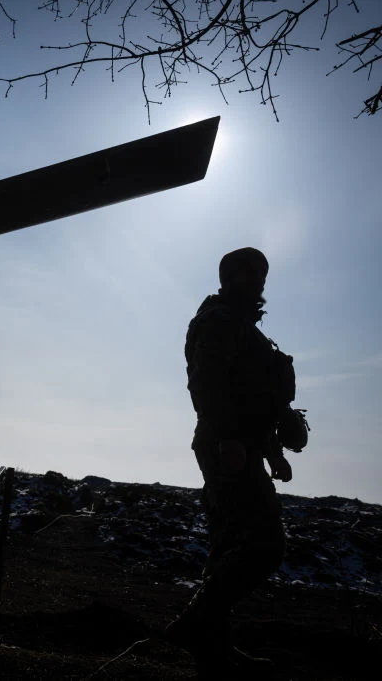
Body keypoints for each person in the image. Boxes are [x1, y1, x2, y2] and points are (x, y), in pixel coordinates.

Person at [166, 247, 301, 678]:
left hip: (244, 446)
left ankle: (212, 648)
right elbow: (208, 383)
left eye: (262, 273)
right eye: (249, 273)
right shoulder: (219, 321)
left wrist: (274, 449)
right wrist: (228, 440)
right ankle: (196, 625)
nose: (258, 280)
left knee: (228, 546)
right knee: (263, 545)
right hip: (227, 445)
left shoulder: (244, 328)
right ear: (229, 277)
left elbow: (256, 395)